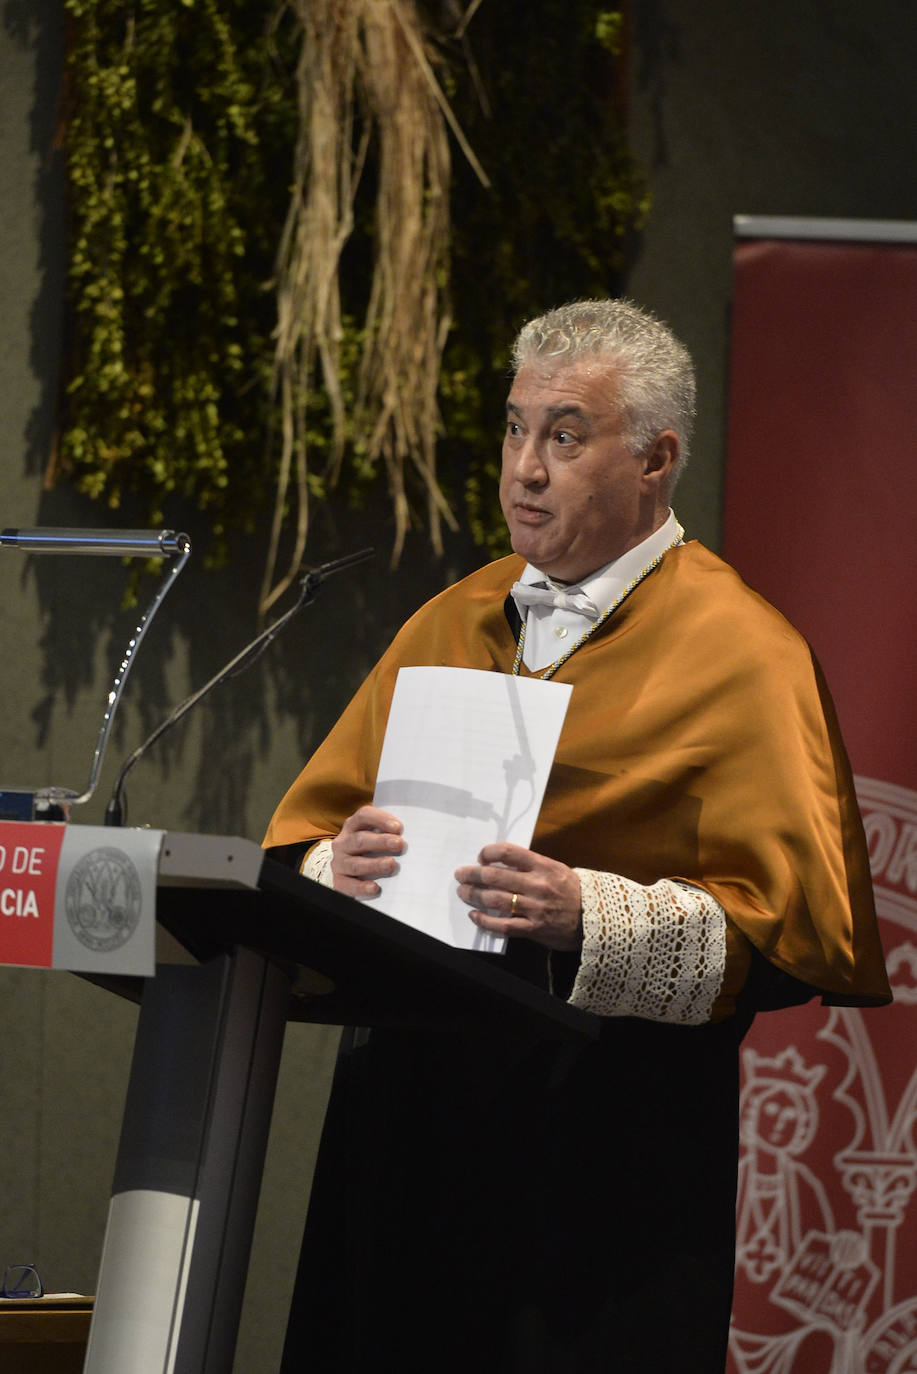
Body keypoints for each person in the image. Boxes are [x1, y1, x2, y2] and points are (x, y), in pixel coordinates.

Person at [265, 299, 890, 1373]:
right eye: (513, 429)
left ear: (656, 459)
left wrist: (584, 915)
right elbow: (299, 843)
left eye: (564, 434)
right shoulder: (447, 619)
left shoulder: (745, 654)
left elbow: (788, 946)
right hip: (406, 1121)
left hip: (604, 1148)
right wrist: (337, 866)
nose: (523, 468)